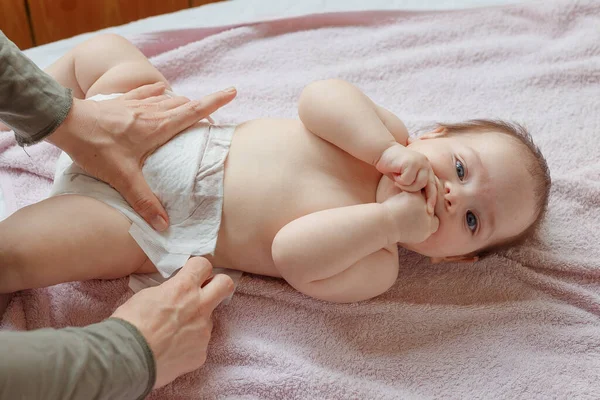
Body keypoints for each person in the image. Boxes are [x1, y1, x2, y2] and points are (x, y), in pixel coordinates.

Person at [0, 34, 551, 304]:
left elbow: (293, 252)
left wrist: (386, 224)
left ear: (457, 257)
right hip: (161, 129)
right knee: (103, 52)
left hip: (150, 223)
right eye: (459, 167)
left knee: (18, 257)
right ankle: (21, 117)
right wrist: (383, 150)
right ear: (433, 135)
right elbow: (318, 97)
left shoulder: (377, 263)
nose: (452, 196)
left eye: (473, 220)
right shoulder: (383, 133)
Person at [0, 31, 234, 399]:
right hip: (140, 210)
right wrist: (129, 352)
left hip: (130, 131)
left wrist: (61, 114)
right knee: (8, 257)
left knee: (101, 51)